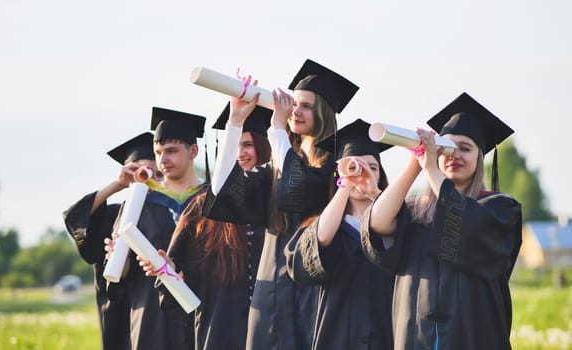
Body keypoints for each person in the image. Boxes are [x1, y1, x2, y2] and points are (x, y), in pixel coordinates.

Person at [203, 59, 359, 350]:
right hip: (273, 282)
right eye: (294, 104)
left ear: (324, 112)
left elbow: (296, 188)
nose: (295, 111)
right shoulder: (278, 165)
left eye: (306, 106)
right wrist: (235, 121)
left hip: (316, 283)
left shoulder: (337, 166)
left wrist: (277, 128)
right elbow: (223, 191)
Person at [360, 92, 522, 349]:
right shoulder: (416, 210)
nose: (454, 155)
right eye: (448, 148)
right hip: (416, 336)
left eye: (465, 149)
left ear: (479, 158)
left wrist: (433, 170)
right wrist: (417, 161)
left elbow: (466, 221)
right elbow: (377, 224)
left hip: (473, 337)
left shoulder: (499, 208)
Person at [139, 103, 272, 350]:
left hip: (272, 323)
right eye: (236, 145)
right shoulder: (201, 207)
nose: (240, 153)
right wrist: (170, 270)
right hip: (221, 325)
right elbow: (183, 274)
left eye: (248, 145)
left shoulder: (279, 203)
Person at [285, 119, 395, 349]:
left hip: (389, 334)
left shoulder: (399, 225)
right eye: (355, 166)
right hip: (338, 337)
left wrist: (375, 193)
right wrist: (345, 183)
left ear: (381, 176)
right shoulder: (328, 226)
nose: (363, 174)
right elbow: (319, 241)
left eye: (372, 168)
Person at [104, 107, 207, 350]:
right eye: (158, 152)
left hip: (204, 309)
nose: (163, 160)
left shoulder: (211, 200)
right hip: (152, 315)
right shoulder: (139, 201)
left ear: (193, 151)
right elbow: (122, 273)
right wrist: (117, 258)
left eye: (171, 151)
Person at [62, 131, 159, 350]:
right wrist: (118, 184)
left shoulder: (172, 214)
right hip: (121, 314)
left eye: (155, 171)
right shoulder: (115, 216)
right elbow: (74, 217)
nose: (147, 177)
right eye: (139, 170)